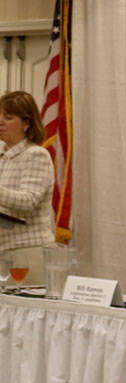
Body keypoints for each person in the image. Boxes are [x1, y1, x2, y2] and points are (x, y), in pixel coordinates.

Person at [0, 91, 55, 283]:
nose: (0, 121)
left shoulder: (35, 155)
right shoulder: (2, 156)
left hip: (28, 254)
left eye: (8, 117)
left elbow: (28, 201)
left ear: (26, 123)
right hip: (3, 254)